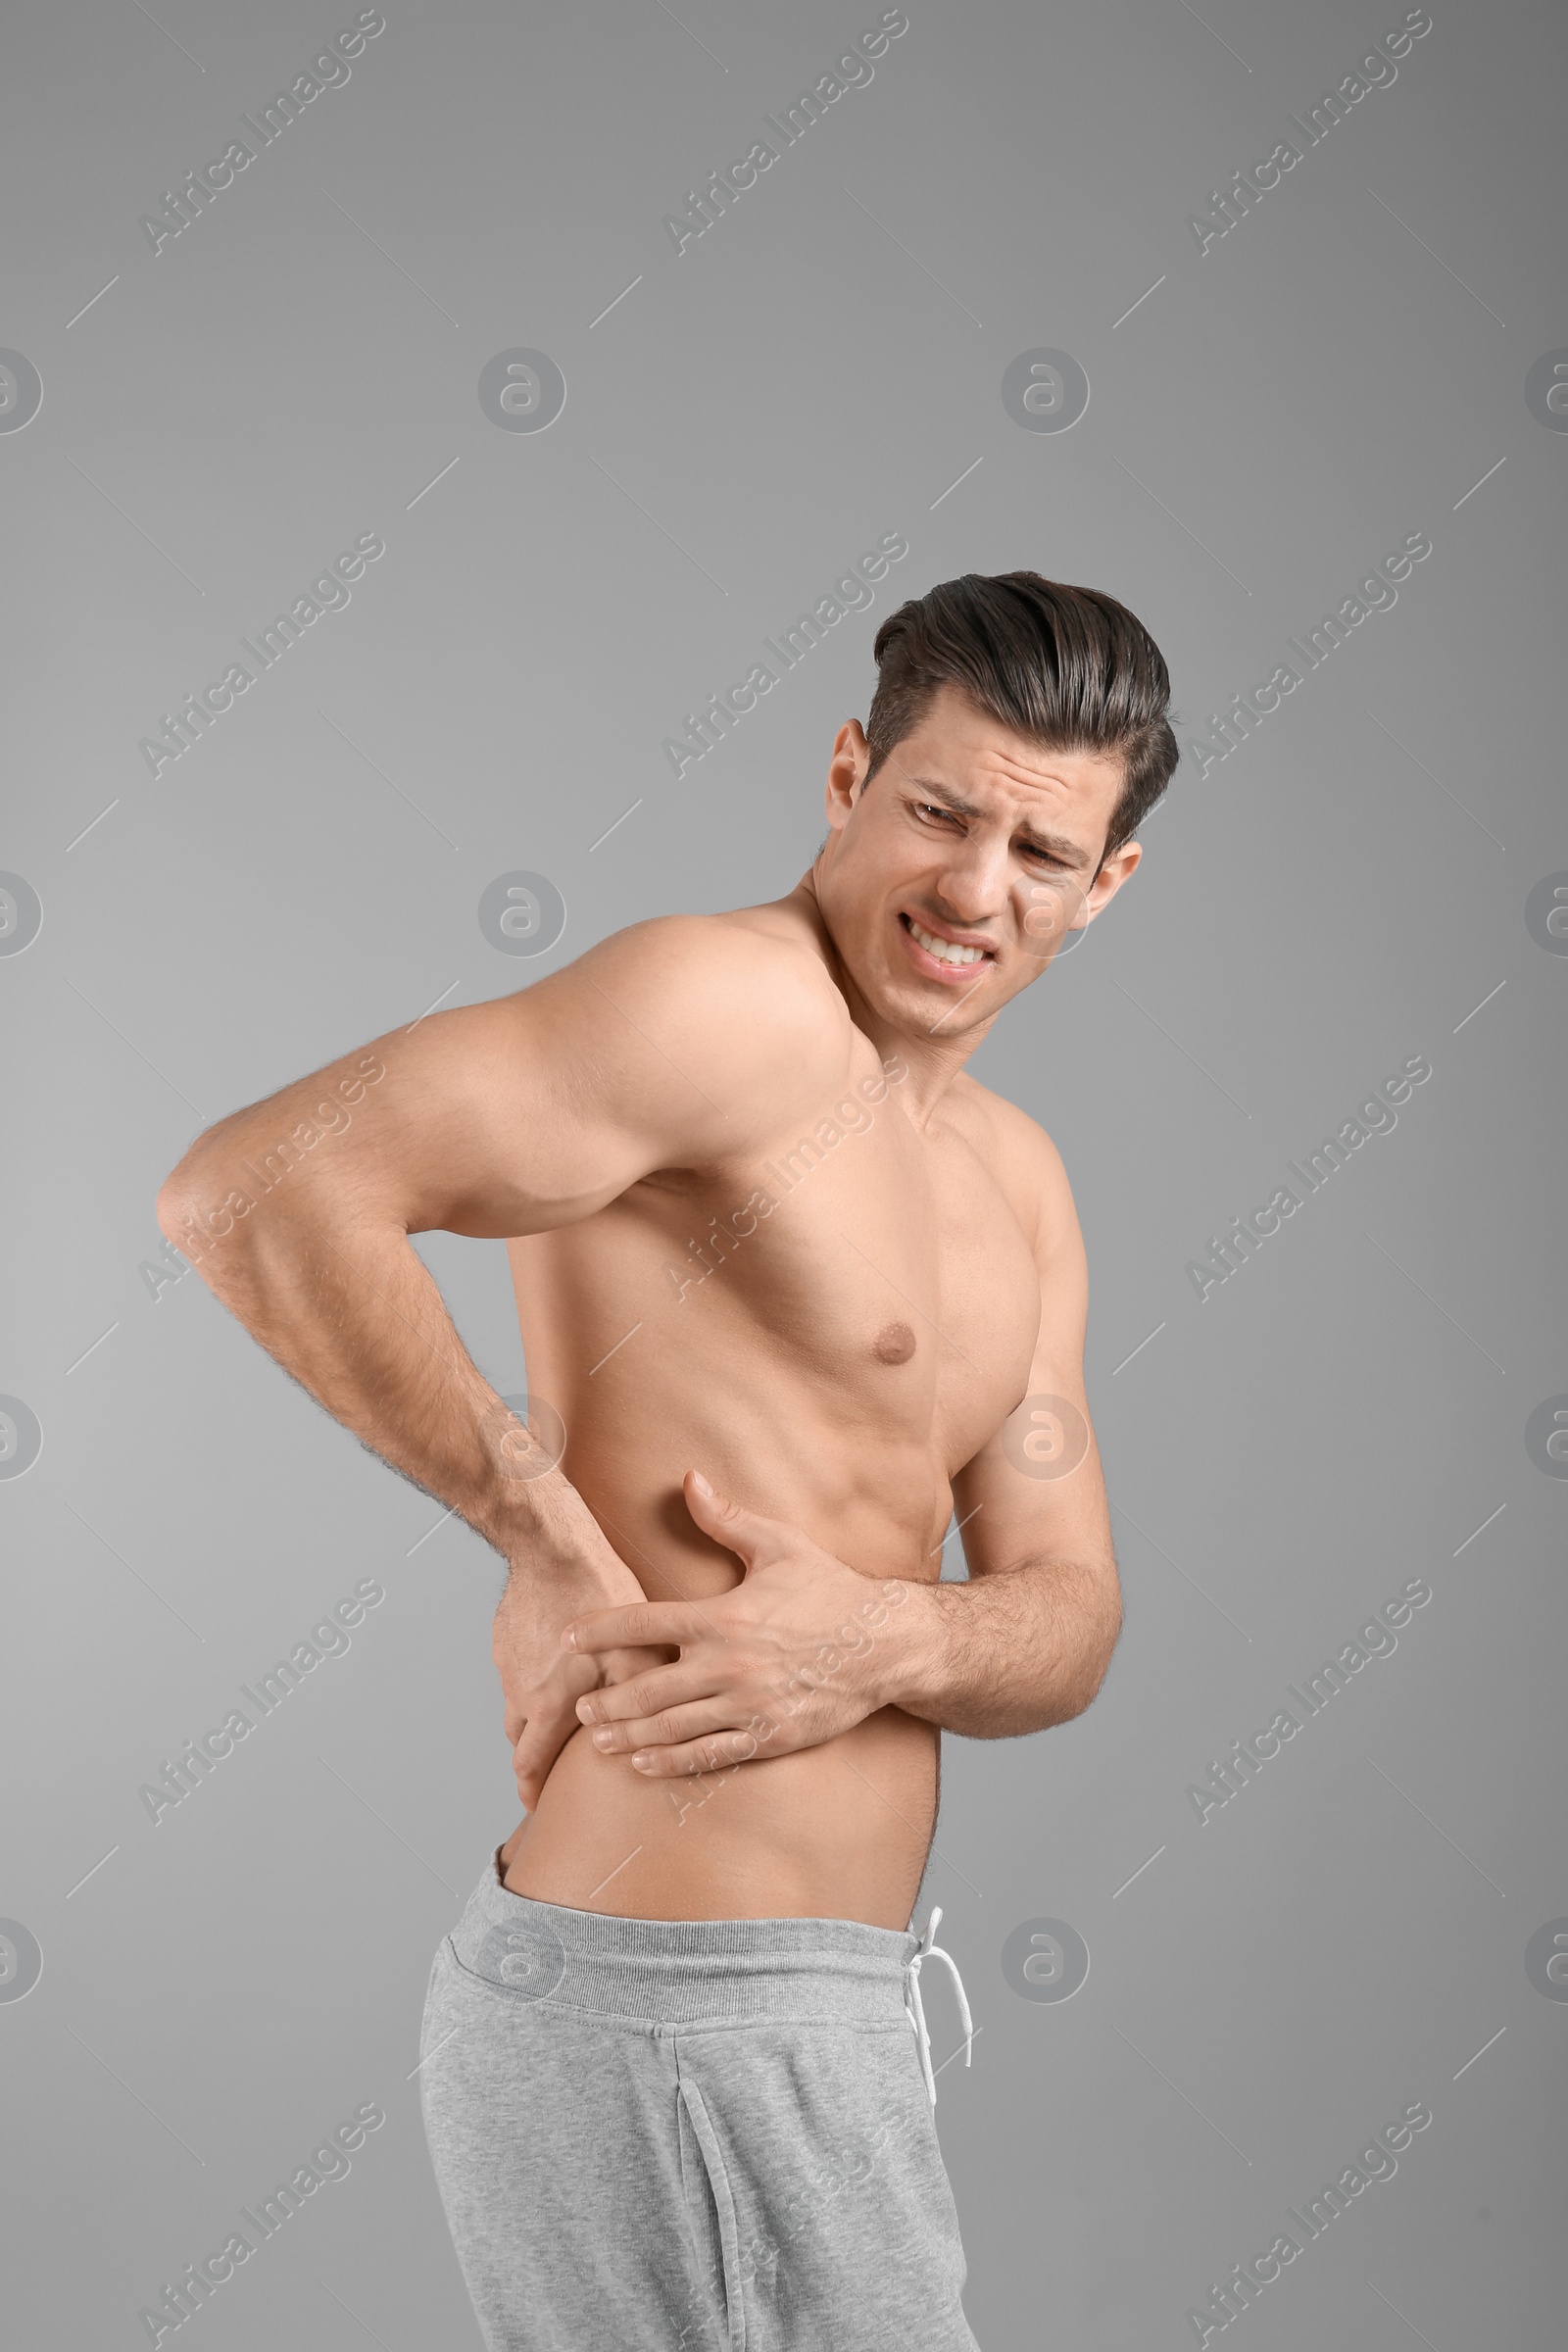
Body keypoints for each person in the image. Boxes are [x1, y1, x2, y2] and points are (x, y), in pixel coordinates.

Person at [157, 570, 1178, 2351]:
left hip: (820, 2012)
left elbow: (1069, 1620)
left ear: (1109, 887)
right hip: (670, 2010)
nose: (973, 890)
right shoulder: (731, 1013)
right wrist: (533, 1532)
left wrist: (884, 1636)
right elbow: (249, 1187)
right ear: (849, 769)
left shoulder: (1019, 1184)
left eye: (1039, 853)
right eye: (938, 812)